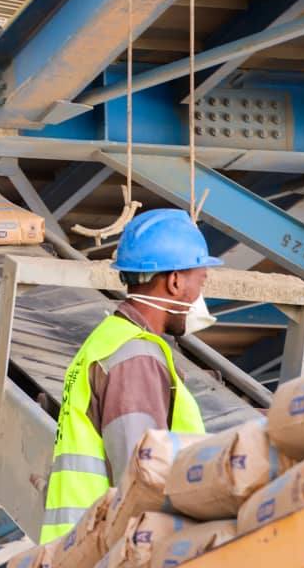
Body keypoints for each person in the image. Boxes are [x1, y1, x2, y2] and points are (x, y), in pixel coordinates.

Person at [40, 208, 223, 543]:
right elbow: (141, 477)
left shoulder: (110, 342)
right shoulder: (134, 357)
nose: (200, 295)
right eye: (201, 280)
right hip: (104, 546)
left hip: (84, 542)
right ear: (176, 281)